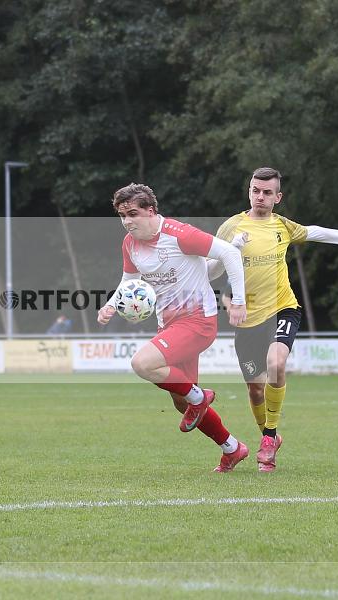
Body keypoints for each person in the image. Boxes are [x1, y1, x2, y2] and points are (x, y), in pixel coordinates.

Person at [210, 167, 338, 472]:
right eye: (255, 190)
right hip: (249, 320)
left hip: (283, 308)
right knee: (254, 389)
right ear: (249, 191)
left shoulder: (283, 226)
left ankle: (269, 438)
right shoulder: (230, 228)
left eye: (266, 192)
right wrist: (229, 290)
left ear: (278, 197)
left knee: (276, 364)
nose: (260, 197)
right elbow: (210, 270)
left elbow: (317, 232)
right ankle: (270, 438)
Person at [96, 183, 250, 473]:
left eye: (133, 214)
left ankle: (199, 396)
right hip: (168, 325)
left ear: (151, 211)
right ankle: (232, 448)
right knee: (182, 403)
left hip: (198, 322)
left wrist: (238, 301)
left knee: (142, 363)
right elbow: (128, 281)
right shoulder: (130, 244)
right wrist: (111, 305)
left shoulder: (180, 234)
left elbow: (229, 253)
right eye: (121, 215)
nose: (127, 221)